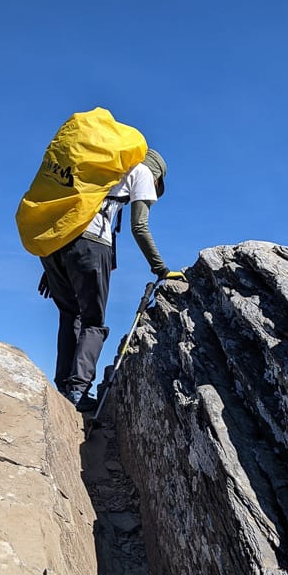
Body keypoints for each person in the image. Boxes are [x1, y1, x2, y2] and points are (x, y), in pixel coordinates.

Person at [38, 148, 184, 411]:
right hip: (92, 246)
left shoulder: (102, 171)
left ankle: (63, 385)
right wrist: (160, 268)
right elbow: (139, 227)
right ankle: (78, 391)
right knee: (93, 322)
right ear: (157, 176)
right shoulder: (140, 173)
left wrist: (51, 269)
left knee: (69, 314)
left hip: (55, 245)